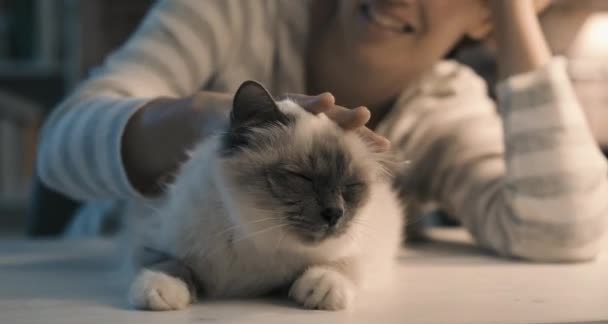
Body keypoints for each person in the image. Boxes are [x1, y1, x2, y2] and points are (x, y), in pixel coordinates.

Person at [37, 0, 607, 261]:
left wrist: (514, 13)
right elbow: (59, 147)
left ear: (483, 18)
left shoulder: (445, 103)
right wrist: (209, 122)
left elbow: (560, 229)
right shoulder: (235, 12)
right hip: (121, 288)